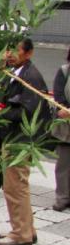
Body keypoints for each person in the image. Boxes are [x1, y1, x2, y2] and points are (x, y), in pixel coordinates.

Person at [0, 38, 47, 245]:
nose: (10, 54)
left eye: (15, 50)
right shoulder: (15, 73)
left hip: (21, 139)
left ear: (28, 53)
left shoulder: (30, 77)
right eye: (8, 50)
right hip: (13, 137)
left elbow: (28, 111)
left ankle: (21, 233)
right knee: (16, 186)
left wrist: (2, 112)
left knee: (15, 186)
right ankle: (25, 228)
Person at [52, 47, 70, 212]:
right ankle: (62, 197)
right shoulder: (64, 71)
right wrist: (63, 108)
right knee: (63, 163)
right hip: (66, 125)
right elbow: (58, 95)